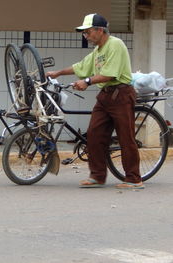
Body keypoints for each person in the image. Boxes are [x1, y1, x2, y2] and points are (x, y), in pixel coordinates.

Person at [46, 13, 144, 189]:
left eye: (88, 32)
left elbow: (110, 73)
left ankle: (134, 179)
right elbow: (81, 66)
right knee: (94, 134)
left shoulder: (115, 45)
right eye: (84, 33)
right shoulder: (97, 51)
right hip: (105, 96)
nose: (86, 36)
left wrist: (87, 81)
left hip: (121, 95)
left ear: (100, 30)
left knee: (125, 138)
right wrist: (58, 73)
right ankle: (98, 176)